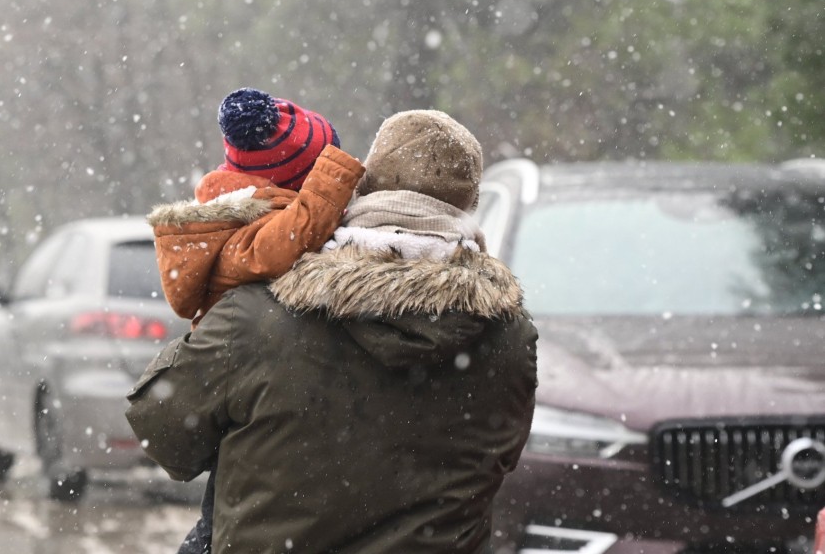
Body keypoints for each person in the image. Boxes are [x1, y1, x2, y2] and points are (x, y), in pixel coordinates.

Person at [127, 109, 538, 554]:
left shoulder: (257, 317)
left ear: (364, 188)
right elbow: (501, 459)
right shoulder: (507, 339)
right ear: (467, 205)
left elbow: (164, 437)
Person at [145, 87, 365, 553]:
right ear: (296, 184)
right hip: (252, 395)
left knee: (223, 511)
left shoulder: (242, 214)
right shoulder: (255, 236)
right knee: (219, 521)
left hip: (245, 398)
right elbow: (289, 239)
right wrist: (334, 178)